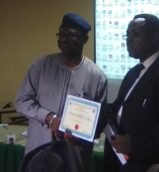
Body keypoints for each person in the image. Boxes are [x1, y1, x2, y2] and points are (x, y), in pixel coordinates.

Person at [102, 13, 159, 172]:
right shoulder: (133, 72)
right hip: (123, 163)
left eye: (136, 34)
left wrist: (133, 143)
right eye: (127, 34)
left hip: (152, 165)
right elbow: (119, 109)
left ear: (154, 37)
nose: (129, 39)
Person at [15, 12, 107, 169]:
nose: (63, 39)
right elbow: (21, 101)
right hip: (39, 153)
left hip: (74, 157)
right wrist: (49, 118)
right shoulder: (41, 66)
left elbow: (98, 121)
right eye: (61, 34)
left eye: (70, 35)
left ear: (85, 39)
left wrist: (81, 135)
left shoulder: (97, 76)